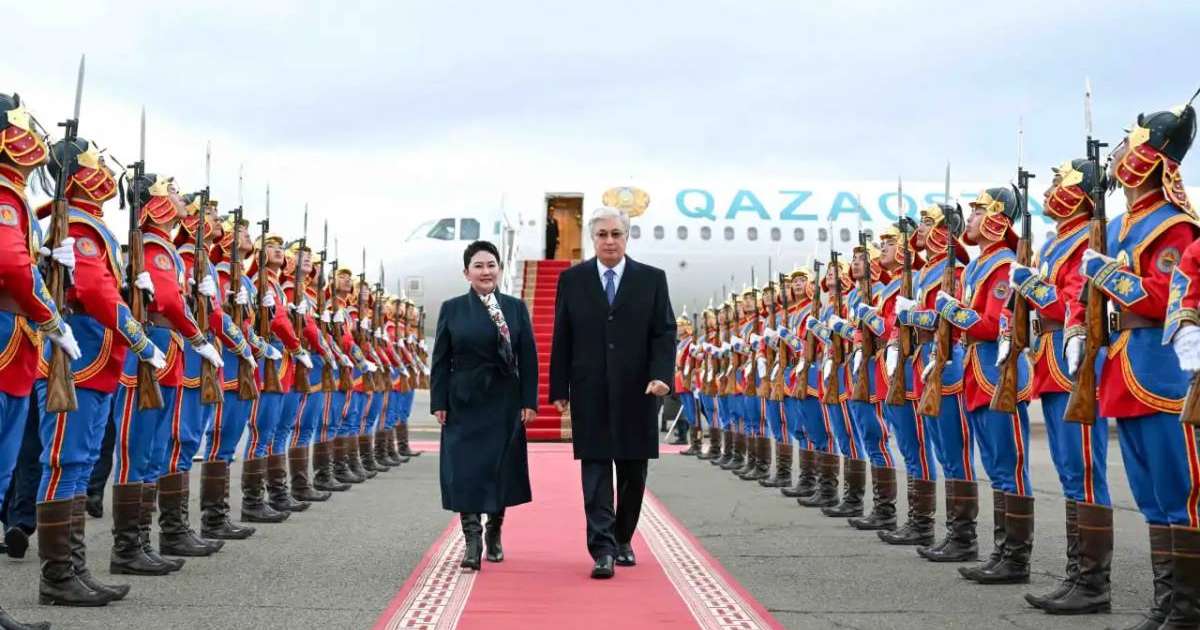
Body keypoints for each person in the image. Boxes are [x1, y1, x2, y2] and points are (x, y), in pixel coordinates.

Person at [548, 206, 676, 579]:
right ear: (593, 238)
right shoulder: (573, 280)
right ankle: (602, 548)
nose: (608, 241)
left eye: (615, 234)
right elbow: (562, 336)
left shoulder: (652, 280)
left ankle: (623, 538)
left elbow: (664, 332)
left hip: (639, 390)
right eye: (602, 234)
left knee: (633, 473)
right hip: (590, 390)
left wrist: (661, 376)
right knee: (596, 473)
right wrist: (560, 387)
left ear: (626, 237)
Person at [431, 240, 536, 571]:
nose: (485, 271)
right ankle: (472, 540)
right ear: (467, 273)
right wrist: (439, 401)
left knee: (499, 468)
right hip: (463, 401)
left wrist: (528, 401)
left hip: (504, 399)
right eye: (478, 266)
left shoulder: (515, 308)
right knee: (466, 470)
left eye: (491, 265)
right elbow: (440, 359)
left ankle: (494, 531)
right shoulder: (452, 308)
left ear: (500, 270)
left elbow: (529, 359)